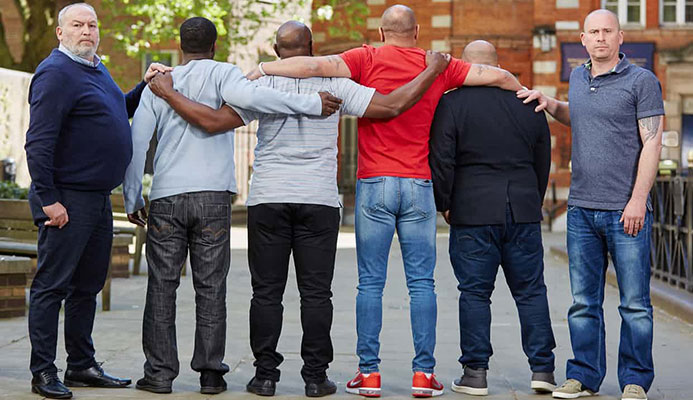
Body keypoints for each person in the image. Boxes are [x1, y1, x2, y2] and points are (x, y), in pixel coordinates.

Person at [146, 20, 451, 398]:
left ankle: (265, 376)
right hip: (319, 200)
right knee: (317, 294)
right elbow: (392, 106)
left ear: (276, 52)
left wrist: (168, 91)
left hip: (268, 199)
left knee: (266, 293)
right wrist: (431, 70)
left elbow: (213, 122)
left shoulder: (259, 85)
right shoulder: (336, 85)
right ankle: (315, 377)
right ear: (312, 50)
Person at [246, 5, 524, 398]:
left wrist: (264, 68)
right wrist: (524, 92)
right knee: (422, 283)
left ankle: (370, 374)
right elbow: (496, 76)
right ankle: (423, 375)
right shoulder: (440, 65)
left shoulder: (365, 57)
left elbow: (310, 67)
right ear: (416, 31)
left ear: (380, 32)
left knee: (370, 284)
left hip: (375, 183)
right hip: (418, 183)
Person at [122, 17, 341, 396]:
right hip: (212, 197)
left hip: (167, 196)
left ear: (180, 46)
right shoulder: (225, 73)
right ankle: (210, 374)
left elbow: (136, 144)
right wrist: (310, 103)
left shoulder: (158, 84)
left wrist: (132, 196)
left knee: (161, 287)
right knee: (211, 286)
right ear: (214, 45)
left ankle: (159, 374)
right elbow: (259, 99)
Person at [24, 3, 170, 399]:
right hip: (67, 200)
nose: (86, 30)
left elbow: (117, 111)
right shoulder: (55, 73)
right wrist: (49, 201)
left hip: (97, 200)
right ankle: (42, 372)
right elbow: (37, 143)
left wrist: (143, 85)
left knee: (86, 286)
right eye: (77, 24)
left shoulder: (94, 67)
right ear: (60, 32)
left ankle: (81, 365)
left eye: (92, 24)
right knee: (51, 287)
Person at [517, 9, 663, 400]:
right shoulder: (579, 78)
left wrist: (637, 200)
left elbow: (652, 142)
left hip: (624, 211)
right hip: (581, 210)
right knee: (584, 303)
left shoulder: (642, 80)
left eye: (607, 31)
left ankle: (635, 380)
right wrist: (550, 102)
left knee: (634, 304)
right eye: (594, 32)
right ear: (583, 38)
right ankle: (583, 375)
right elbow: (577, 115)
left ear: (620, 37)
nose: (600, 38)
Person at [429, 40, 556, 397]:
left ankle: (475, 374)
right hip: (522, 210)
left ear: (468, 67)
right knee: (531, 292)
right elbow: (542, 161)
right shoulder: (529, 105)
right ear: (496, 66)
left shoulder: (451, 104)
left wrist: (446, 203)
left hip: (471, 211)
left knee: (474, 293)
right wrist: (532, 199)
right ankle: (543, 369)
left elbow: (442, 159)